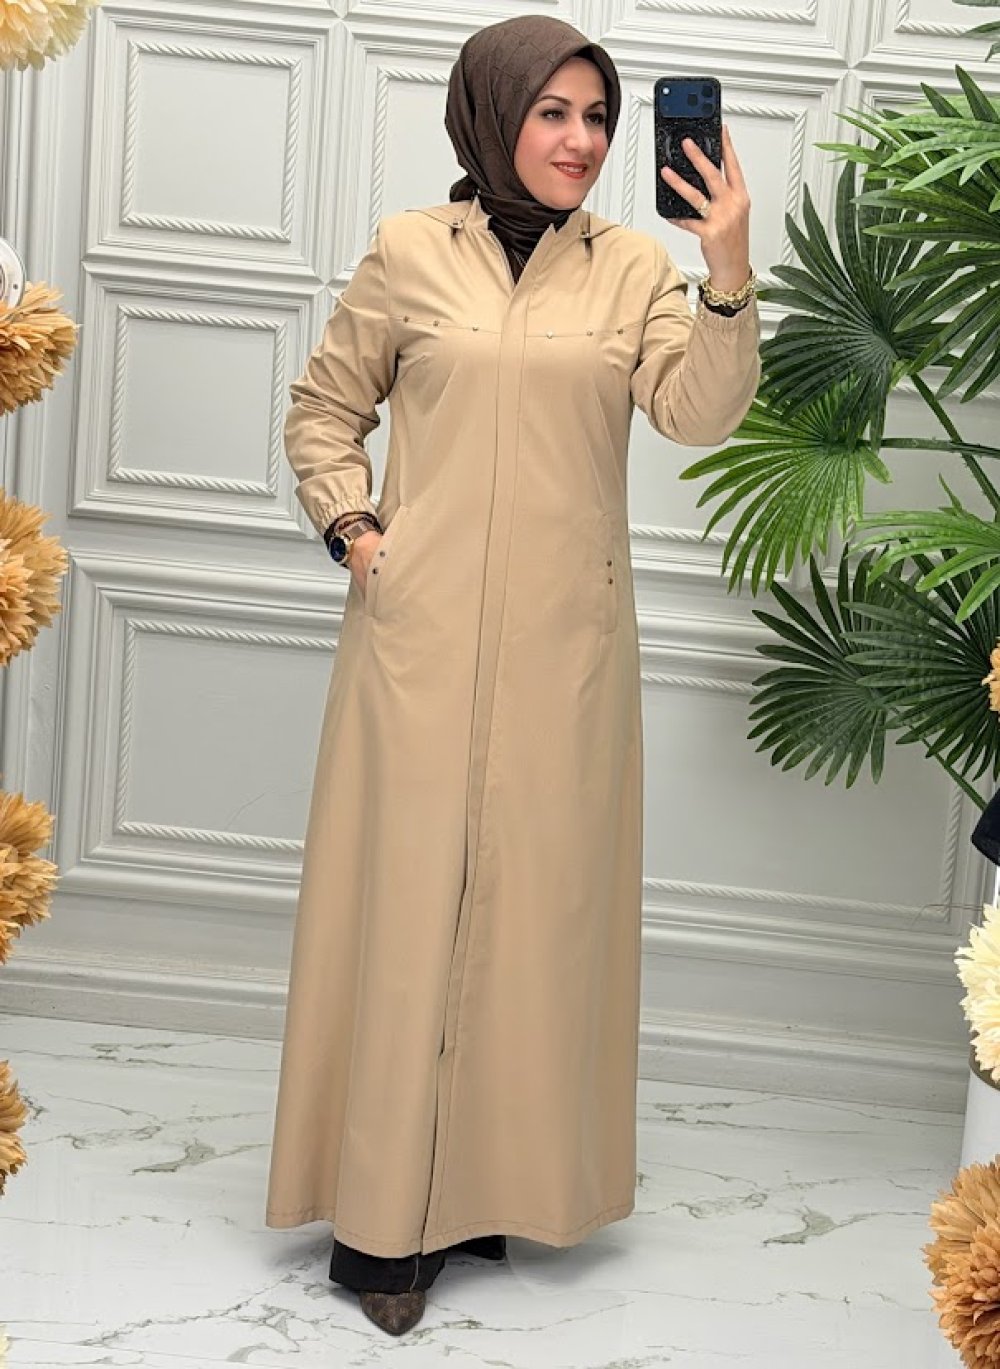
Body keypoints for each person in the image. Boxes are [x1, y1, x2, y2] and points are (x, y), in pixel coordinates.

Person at [264, 12, 760, 1338]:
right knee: (404, 914)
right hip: (416, 640)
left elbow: (697, 412)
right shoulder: (409, 251)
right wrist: (358, 531)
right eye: (553, 112)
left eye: (597, 117)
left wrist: (725, 272)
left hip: (565, 651)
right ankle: (380, 1226)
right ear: (492, 114)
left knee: (531, 920)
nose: (581, 141)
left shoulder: (633, 267)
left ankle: (481, 1192)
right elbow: (324, 408)